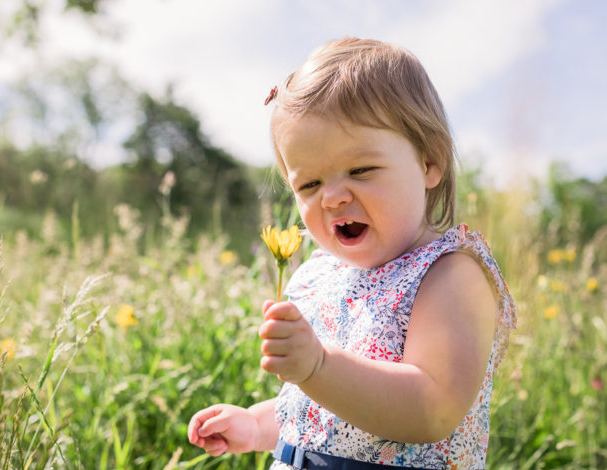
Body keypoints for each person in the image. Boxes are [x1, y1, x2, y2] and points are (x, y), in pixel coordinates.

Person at [188, 37, 516, 469]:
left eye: (360, 170)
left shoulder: (450, 273)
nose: (333, 198)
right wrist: (256, 424)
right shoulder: (318, 274)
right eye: (309, 185)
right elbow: (319, 411)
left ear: (429, 162)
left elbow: (432, 408)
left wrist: (318, 367)